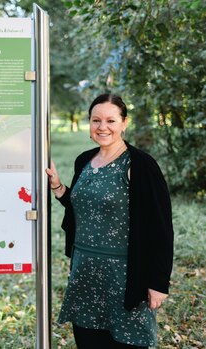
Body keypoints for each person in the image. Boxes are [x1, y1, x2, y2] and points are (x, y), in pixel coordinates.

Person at [46, 94, 174, 348]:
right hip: (84, 273)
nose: (102, 127)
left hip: (124, 276)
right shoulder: (84, 160)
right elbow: (86, 209)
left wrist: (158, 282)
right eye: (96, 120)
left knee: (127, 342)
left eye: (111, 120)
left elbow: (160, 227)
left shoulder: (140, 165)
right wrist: (59, 188)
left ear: (124, 123)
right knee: (88, 341)